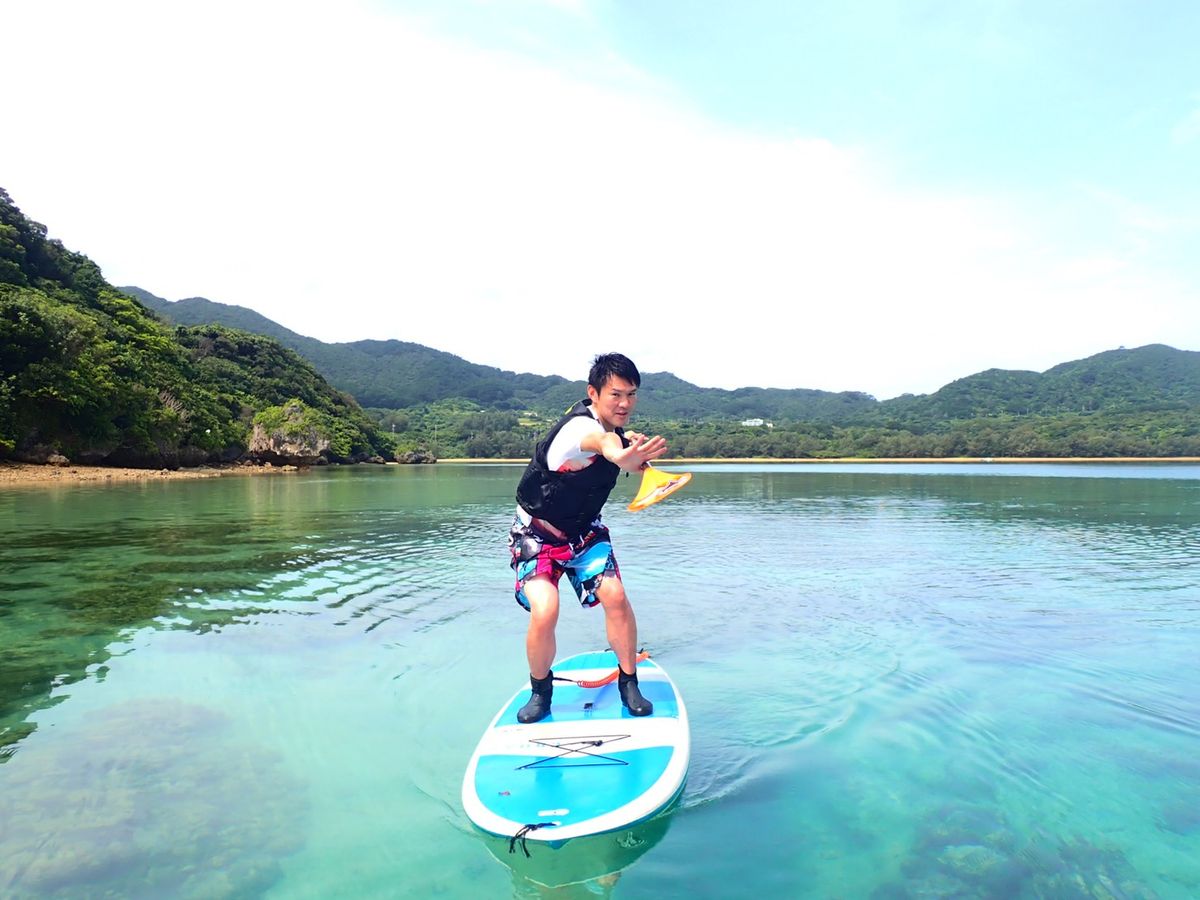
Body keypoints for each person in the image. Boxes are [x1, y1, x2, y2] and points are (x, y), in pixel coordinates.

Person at [508, 353, 668, 723]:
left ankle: (629, 682)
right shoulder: (578, 429)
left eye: (631, 394)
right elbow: (601, 443)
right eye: (616, 394)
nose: (625, 403)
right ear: (593, 393)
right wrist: (620, 454)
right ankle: (540, 692)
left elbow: (614, 446)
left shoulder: (617, 433)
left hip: (583, 534)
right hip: (537, 535)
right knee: (545, 609)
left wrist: (630, 454)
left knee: (615, 595)